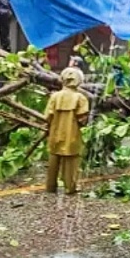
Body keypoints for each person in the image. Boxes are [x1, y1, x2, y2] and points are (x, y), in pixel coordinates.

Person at [44, 67, 90, 195]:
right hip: (72, 133)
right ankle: (70, 188)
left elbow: (47, 116)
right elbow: (83, 119)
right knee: (71, 161)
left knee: (53, 160)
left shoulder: (55, 96)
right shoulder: (80, 98)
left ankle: (50, 187)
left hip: (55, 133)